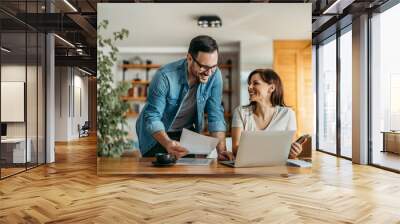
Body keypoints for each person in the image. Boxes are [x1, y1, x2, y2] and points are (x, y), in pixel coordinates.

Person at [136, 35, 232, 160]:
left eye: (213, 66)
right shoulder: (164, 76)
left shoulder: (215, 75)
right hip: (157, 135)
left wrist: (221, 150)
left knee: (188, 174)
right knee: (160, 175)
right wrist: (167, 143)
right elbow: (152, 116)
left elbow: (216, 114)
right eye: (204, 67)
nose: (209, 73)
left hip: (185, 134)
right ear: (189, 58)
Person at [231, 68, 303, 159]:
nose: (249, 87)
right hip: (248, 169)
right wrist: (275, 152)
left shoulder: (288, 114)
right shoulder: (240, 112)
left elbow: (289, 152)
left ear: (271, 88)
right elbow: (236, 149)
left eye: (255, 83)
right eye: (249, 84)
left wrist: (294, 151)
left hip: (277, 170)